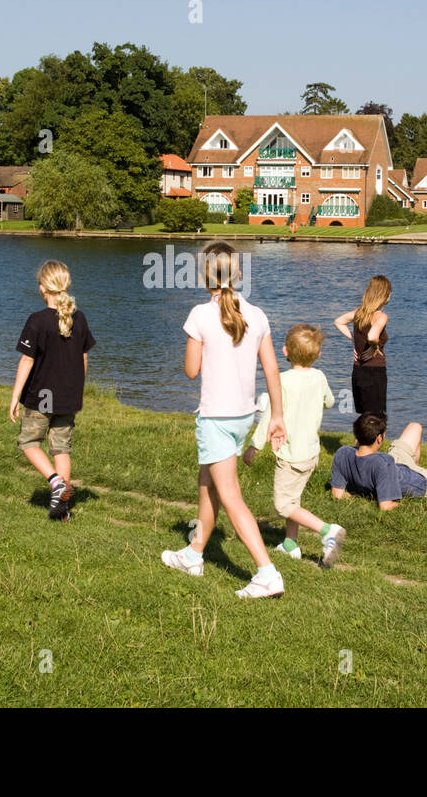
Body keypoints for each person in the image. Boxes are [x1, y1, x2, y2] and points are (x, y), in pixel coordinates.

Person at [162, 241, 288, 598]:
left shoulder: (200, 315)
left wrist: (194, 343)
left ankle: (266, 573)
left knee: (230, 495)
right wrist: (277, 415)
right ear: (239, 274)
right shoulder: (258, 315)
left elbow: (190, 371)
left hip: (216, 418)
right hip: (242, 417)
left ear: (205, 277)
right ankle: (194, 553)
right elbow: (272, 368)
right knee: (208, 484)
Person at [243, 323, 345, 566]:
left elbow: (268, 416)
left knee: (283, 505)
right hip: (310, 453)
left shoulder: (282, 380)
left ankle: (327, 530)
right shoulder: (319, 377)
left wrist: (254, 446)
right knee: (294, 500)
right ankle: (290, 544)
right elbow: (329, 402)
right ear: (318, 354)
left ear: (285, 351)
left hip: (291, 457)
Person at [8, 260, 95, 521]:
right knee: (61, 449)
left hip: (41, 398)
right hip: (69, 397)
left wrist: (15, 395)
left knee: (28, 442)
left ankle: (56, 482)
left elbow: (27, 360)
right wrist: (76, 390)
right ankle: (61, 508)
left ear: (43, 288)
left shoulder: (36, 321)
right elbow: (83, 359)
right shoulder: (78, 318)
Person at [330, 413, 427, 508]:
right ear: (379, 439)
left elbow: (337, 494)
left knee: (415, 427)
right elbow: (386, 506)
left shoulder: (343, 453)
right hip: (419, 482)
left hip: (399, 465)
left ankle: (416, 466)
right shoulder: (384, 463)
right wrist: (422, 506)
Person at [333, 275, 391, 417]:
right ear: (384, 295)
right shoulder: (381, 316)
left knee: (364, 413)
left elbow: (338, 321)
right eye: (389, 292)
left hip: (358, 370)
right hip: (375, 371)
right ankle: (372, 439)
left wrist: (354, 339)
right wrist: (373, 347)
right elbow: (372, 336)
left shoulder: (359, 313)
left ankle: (360, 439)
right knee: (376, 415)